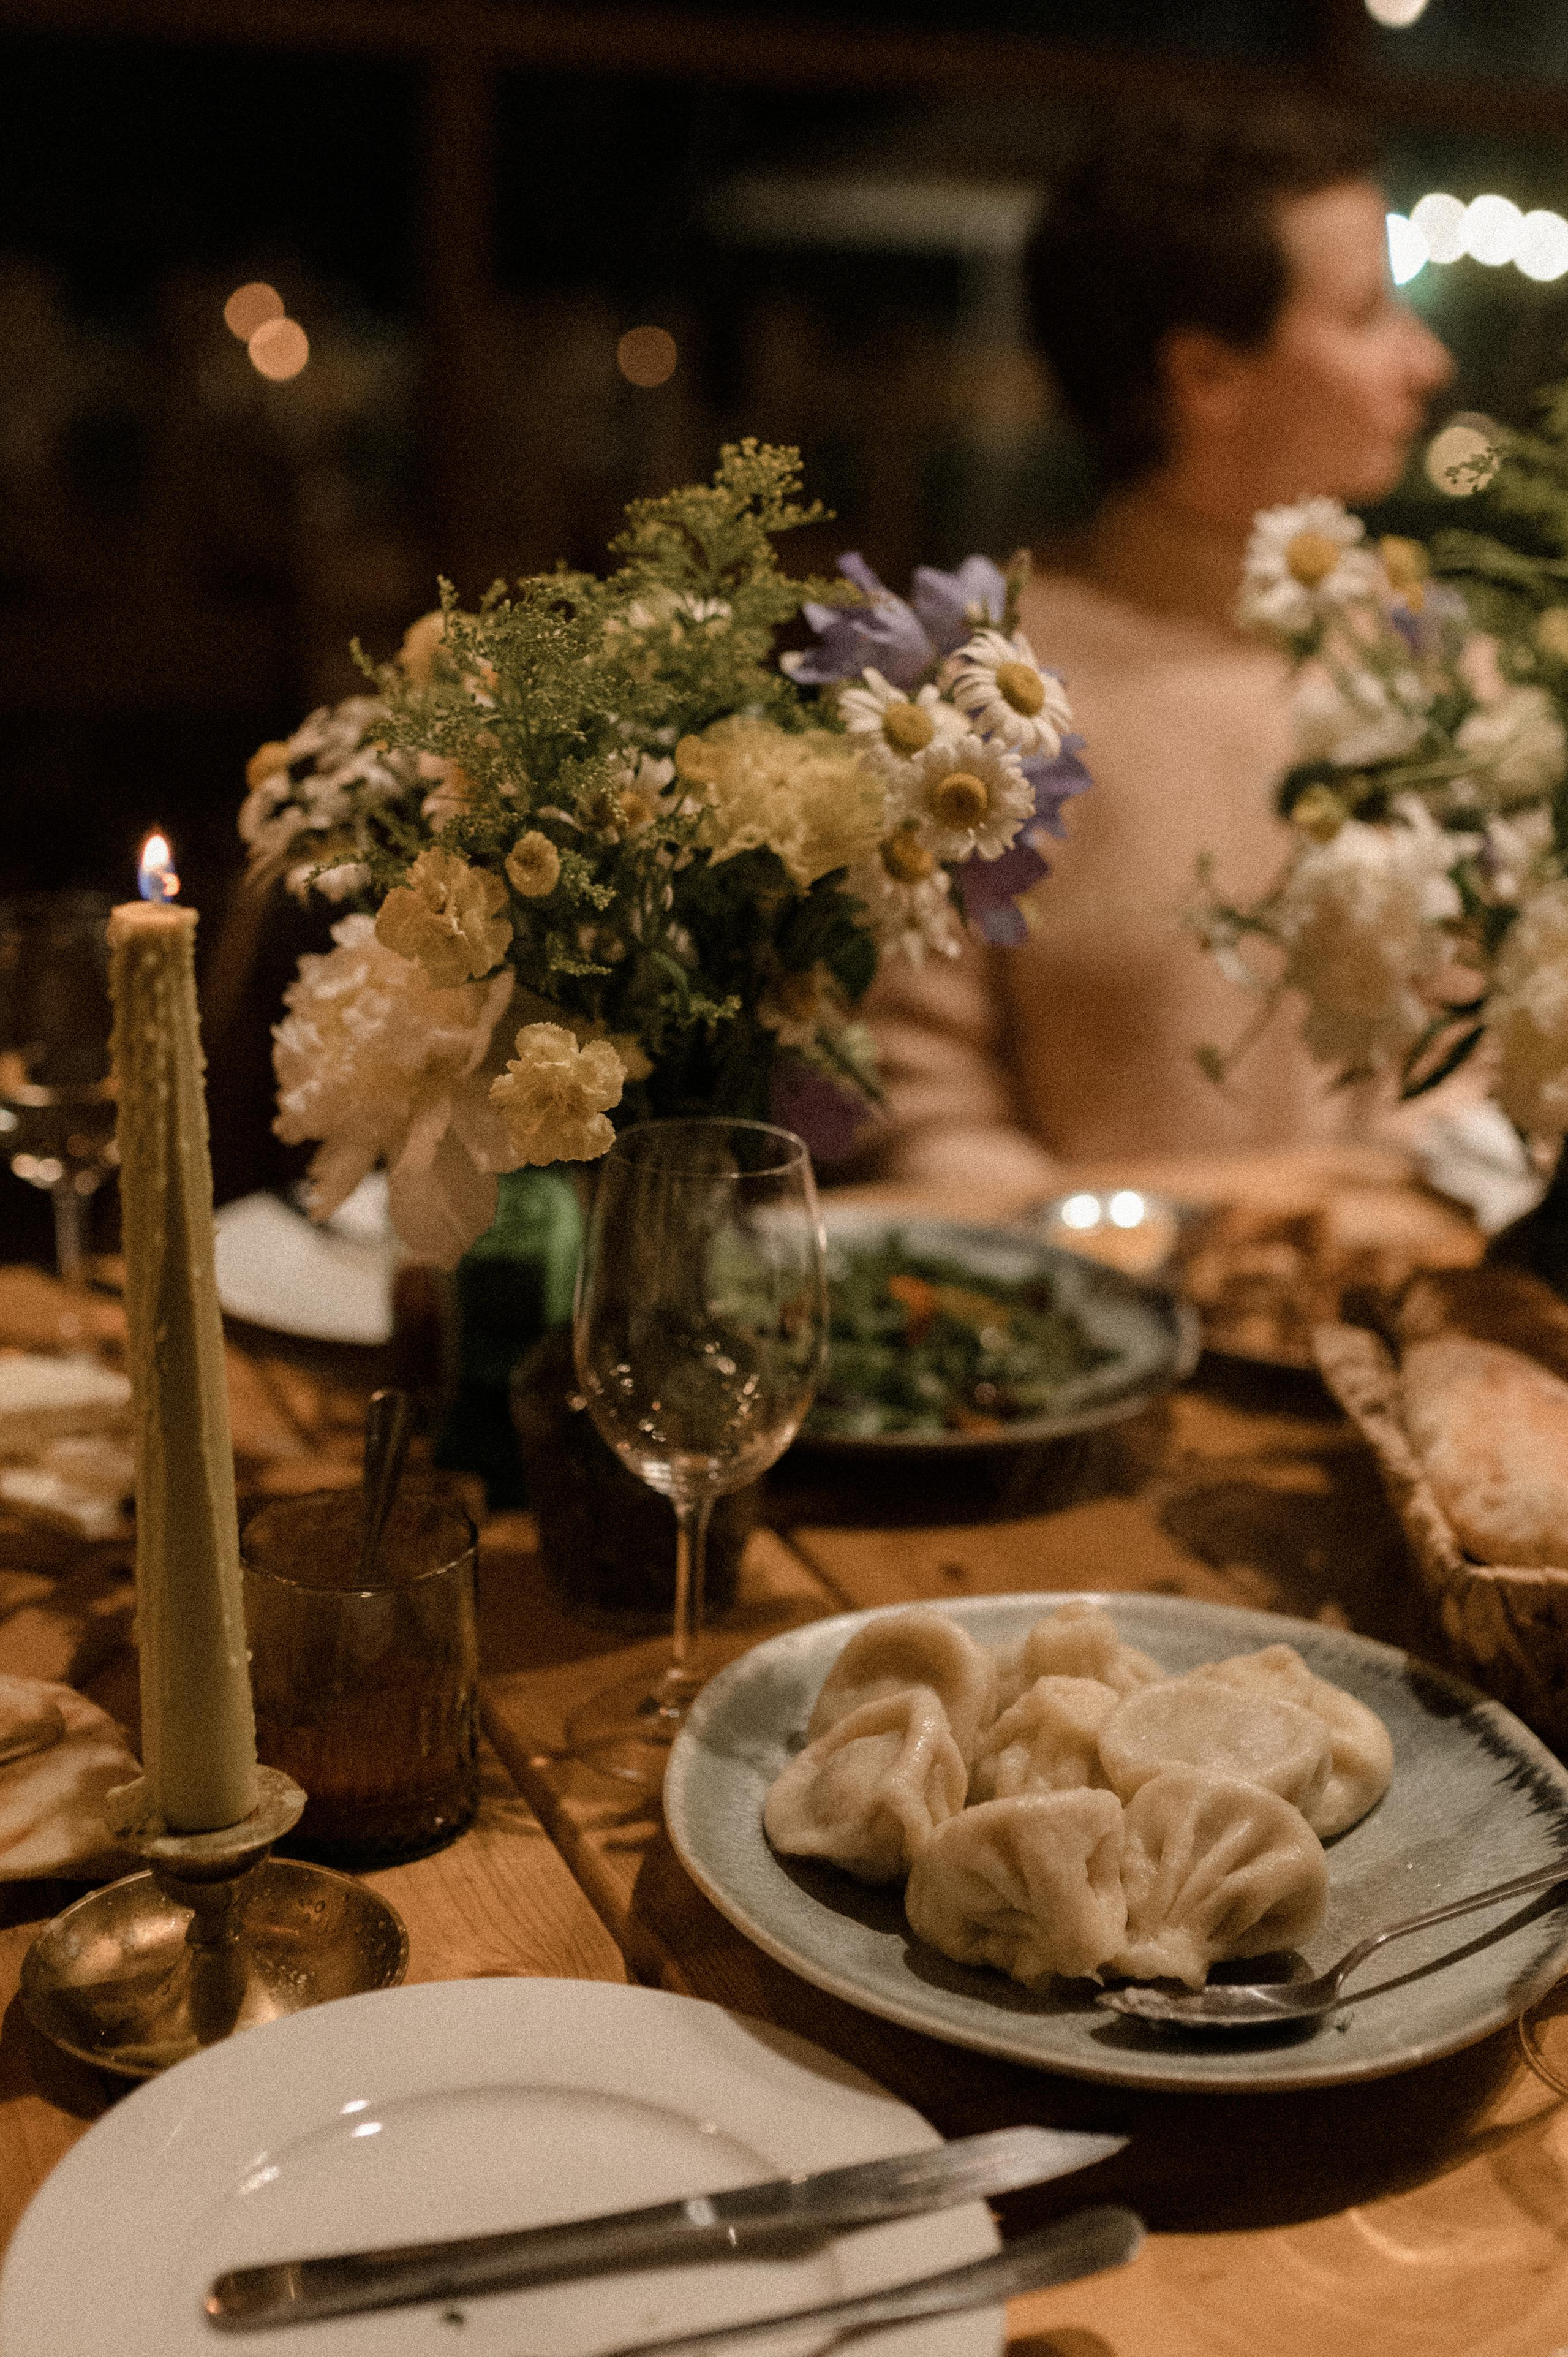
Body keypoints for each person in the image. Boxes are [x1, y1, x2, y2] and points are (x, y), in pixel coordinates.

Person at [856, 96, 1454, 1191]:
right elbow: (918, 1094)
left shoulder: (1434, 668)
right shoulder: (990, 691)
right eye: (1370, 316)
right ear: (1205, 377)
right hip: (1094, 1337)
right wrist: (1109, 1275)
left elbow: (1486, 1055)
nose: (1428, 363)